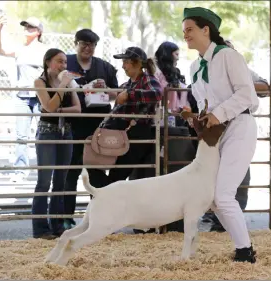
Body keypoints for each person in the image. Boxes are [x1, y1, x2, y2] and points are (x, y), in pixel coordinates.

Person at [182, 7, 259, 263]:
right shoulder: (194, 66)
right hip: (215, 132)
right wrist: (196, 115)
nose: (185, 35)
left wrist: (219, 113)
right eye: (183, 31)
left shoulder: (229, 56)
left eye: (190, 29)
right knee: (214, 196)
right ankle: (243, 248)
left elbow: (248, 95)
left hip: (240, 126)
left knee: (223, 195)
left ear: (206, 30)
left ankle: (245, 252)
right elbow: (205, 102)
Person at [205, 39, 270, 232]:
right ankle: (216, 217)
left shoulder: (242, 69)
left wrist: (245, 85)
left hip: (239, 122)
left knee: (238, 172)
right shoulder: (206, 71)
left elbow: (265, 87)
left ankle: (236, 215)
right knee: (213, 170)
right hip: (216, 125)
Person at [63, 29, 118, 230]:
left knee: (96, 172)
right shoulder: (66, 63)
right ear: (75, 43)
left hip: (98, 127)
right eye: (83, 44)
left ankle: (100, 219)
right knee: (70, 172)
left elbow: (117, 94)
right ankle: (65, 218)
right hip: (72, 125)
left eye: (92, 44)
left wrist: (104, 89)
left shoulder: (105, 67)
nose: (87, 48)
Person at [86, 47, 162, 189]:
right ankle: (104, 195)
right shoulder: (129, 83)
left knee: (115, 173)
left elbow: (157, 94)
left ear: (137, 63)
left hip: (135, 134)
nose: (123, 66)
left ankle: (103, 196)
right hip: (124, 134)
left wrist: (129, 94)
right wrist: (106, 90)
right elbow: (120, 95)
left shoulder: (147, 80)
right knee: (96, 165)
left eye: (126, 62)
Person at [32, 48, 81, 239]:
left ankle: (57, 226)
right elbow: (48, 107)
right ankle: (40, 229)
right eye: (59, 61)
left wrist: (59, 109)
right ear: (48, 62)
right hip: (47, 132)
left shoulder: (68, 83)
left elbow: (77, 109)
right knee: (44, 180)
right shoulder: (40, 82)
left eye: (65, 62)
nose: (63, 66)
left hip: (65, 132)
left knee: (61, 180)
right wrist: (63, 86)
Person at [0, 16, 47, 182]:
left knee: (43, 135)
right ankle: (20, 172)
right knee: (21, 137)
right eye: (25, 25)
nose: (27, 28)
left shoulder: (46, 50)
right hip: (21, 97)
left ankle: (44, 172)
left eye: (31, 26)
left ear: (39, 31)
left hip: (40, 98)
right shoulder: (20, 49)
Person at [154, 41, 189, 113]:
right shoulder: (156, 72)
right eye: (176, 54)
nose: (178, 58)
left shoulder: (175, 73)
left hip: (177, 116)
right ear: (168, 55)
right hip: (162, 117)